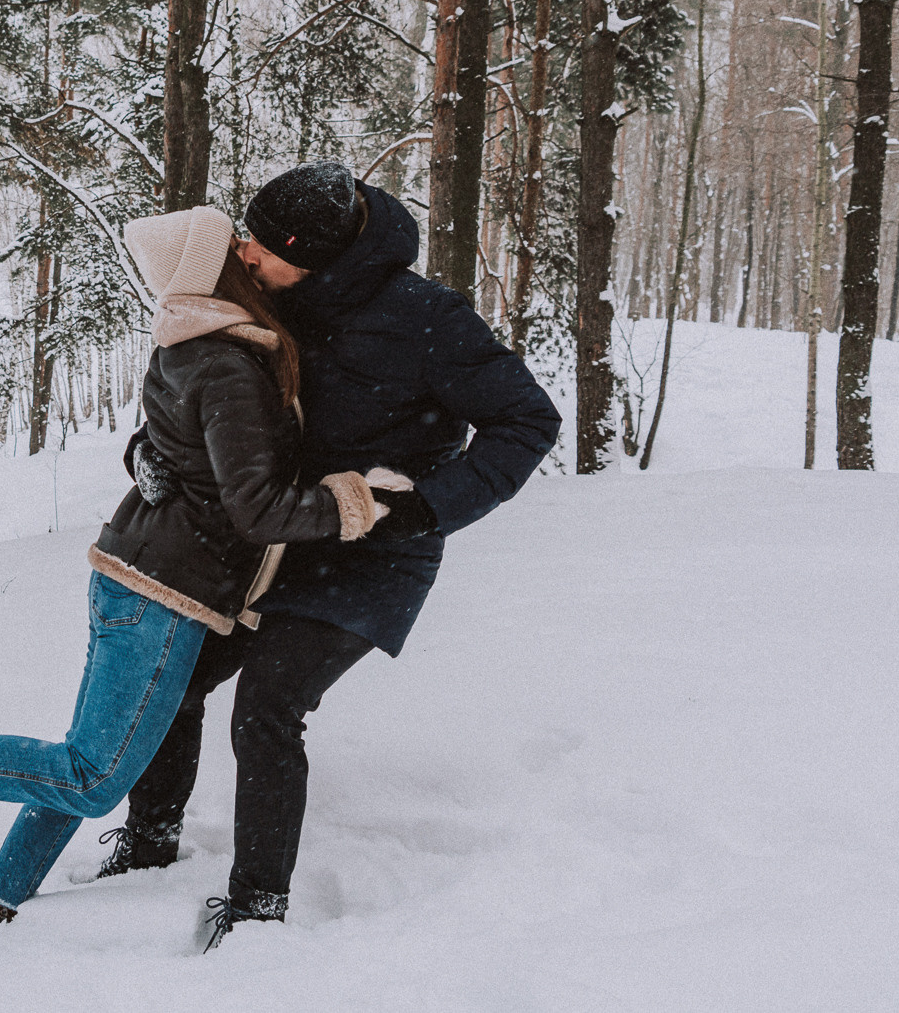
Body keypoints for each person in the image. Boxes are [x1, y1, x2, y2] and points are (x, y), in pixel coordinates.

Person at [0, 205, 417, 944]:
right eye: (236, 247)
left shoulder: (190, 343)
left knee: (80, 755)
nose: (249, 251)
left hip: (136, 576)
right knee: (94, 778)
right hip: (162, 594)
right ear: (220, 273)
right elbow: (258, 508)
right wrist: (353, 503)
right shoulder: (230, 364)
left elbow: (181, 453)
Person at [93, 162, 562, 950]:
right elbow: (200, 387)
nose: (242, 254)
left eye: (260, 247)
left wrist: (430, 507)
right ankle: (147, 849)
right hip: (271, 537)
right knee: (172, 681)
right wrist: (147, 449)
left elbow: (527, 420)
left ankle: (256, 909)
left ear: (312, 256)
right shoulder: (266, 293)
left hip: (372, 553)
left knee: (268, 708)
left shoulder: (427, 319)